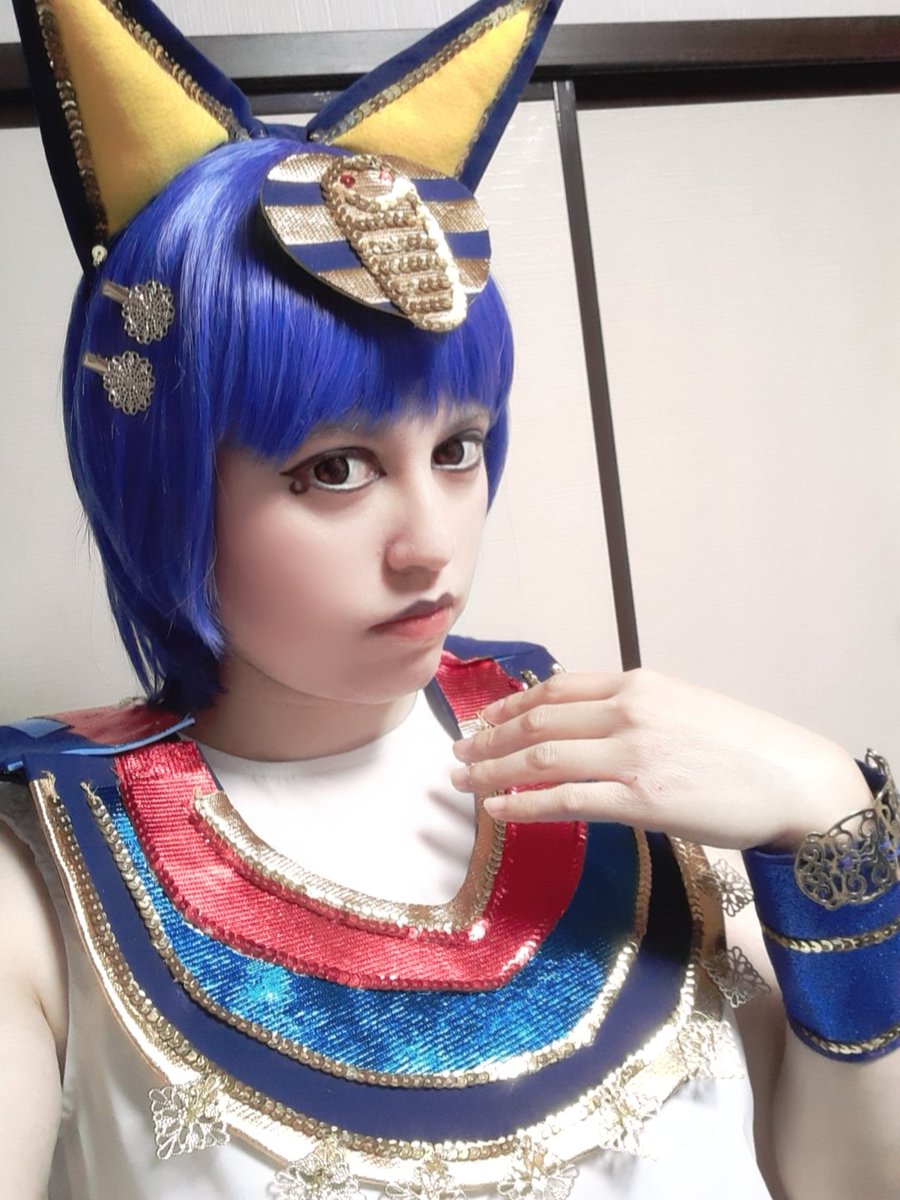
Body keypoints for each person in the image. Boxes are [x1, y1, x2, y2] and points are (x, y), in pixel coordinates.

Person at [1, 1, 897, 1198]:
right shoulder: (45, 870)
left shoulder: (605, 750)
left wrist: (832, 825)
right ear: (165, 490)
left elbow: (846, 1182)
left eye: (459, 449)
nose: (432, 546)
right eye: (334, 469)